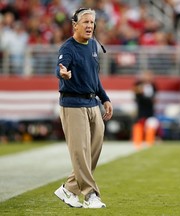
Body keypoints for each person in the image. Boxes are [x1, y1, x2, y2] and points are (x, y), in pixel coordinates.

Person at [54, 8, 113, 209]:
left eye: (92, 22)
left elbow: (94, 78)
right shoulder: (68, 48)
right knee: (80, 153)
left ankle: (68, 189)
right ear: (75, 25)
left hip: (92, 103)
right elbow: (60, 68)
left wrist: (105, 98)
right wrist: (63, 74)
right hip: (73, 104)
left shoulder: (93, 46)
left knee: (92, 151)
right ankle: (90, 195)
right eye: (85, 22)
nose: (89, 26)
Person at [132, 70, 158, 147]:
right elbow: (136, 95)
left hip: (150, 108)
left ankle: (149, 140)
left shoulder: (153, 85)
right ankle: (138, 141)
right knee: (140, 123)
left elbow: (155, 95)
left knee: (150, 123)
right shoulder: (138, 84)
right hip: (141, 107)